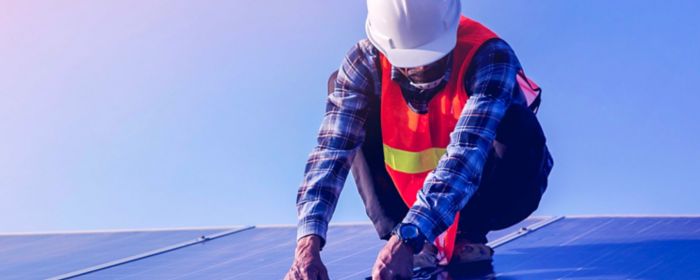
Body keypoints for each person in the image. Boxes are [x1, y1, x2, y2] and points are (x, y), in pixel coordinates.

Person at [286, 0, 553, 279]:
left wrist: (409, 236)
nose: (422, 70)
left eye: (432, 58)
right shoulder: (363, 63)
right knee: (347, 108)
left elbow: (466, 154)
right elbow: (331, 152)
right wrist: (308, 244)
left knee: (516, 121)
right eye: (409, 63)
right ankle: (409, 236)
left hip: (491, 192)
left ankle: (468, 234)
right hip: (407, 199)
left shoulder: (489, 56)